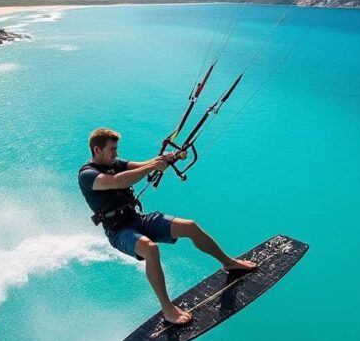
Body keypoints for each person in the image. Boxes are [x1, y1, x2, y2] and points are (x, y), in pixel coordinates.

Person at [78, 127, 257, 325]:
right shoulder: (87, 175)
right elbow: (119, 181)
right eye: (112, 149)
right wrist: (152, 166)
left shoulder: (116, 163)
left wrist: (171, 158)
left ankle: (228, 262)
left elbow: (145, 164)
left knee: (190, 226)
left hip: (139, 220)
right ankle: (167, 309)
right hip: (119, 232)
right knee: (150, 249)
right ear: (97, 150)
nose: (116, 153)